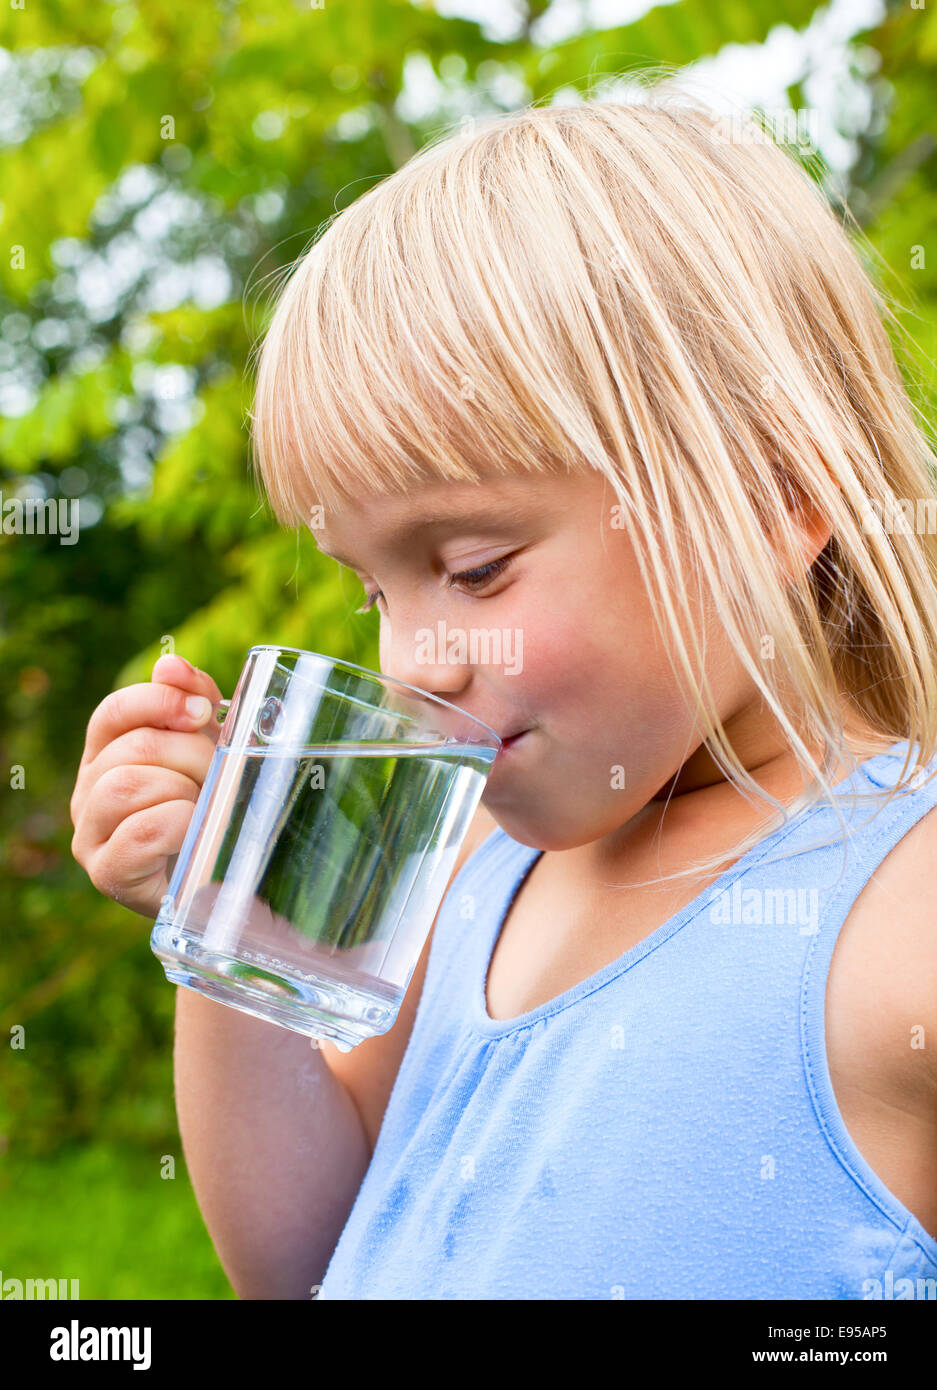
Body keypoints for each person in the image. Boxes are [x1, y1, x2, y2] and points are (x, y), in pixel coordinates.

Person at [71, 93, 937, 1299]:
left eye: (474, 569)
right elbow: (303, 1259)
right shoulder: (476, 868)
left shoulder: (900, 905)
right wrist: (231, 921)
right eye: (372, 592)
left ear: (773, 502)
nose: (412, 661)